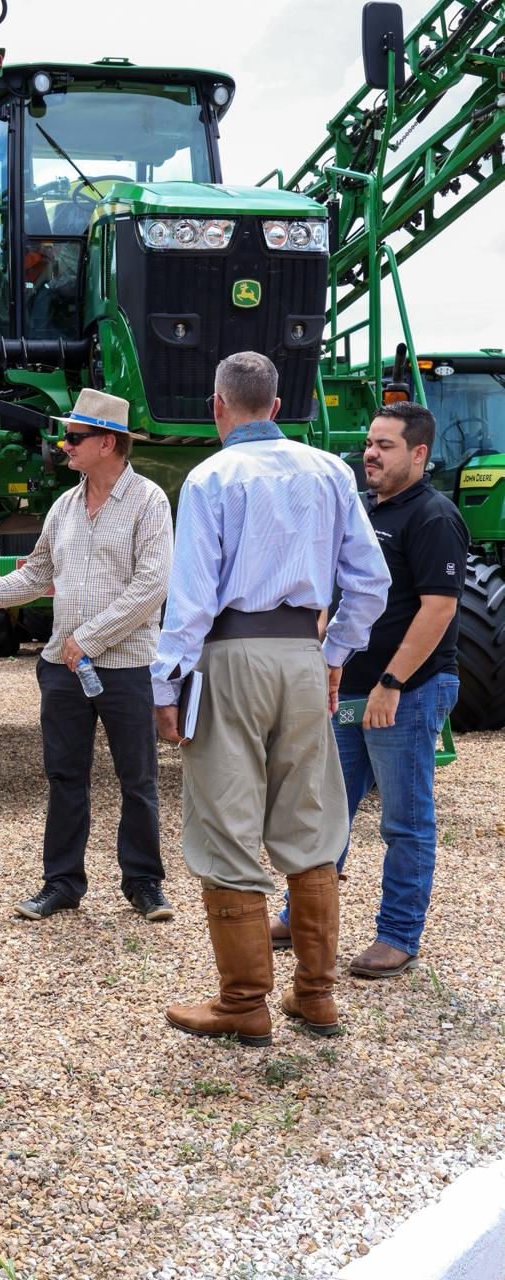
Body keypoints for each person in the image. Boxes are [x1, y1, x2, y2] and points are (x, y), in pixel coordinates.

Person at [152, 352, 390, 1045]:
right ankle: (316, 995)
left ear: (217, 407)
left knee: (226, 825)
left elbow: (192, 599)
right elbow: (370, 582)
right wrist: (335, 654)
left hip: (229, 657)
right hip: (302, 657)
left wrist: (165, 683)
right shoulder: (329, 471)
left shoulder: (211, 477)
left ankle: (243, 1002)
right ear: (279, 407)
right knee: (311, 823)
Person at [0, 387, 174, 922]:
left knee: (138, 779)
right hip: (64, 669)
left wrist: (88, 638)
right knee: (65, 778)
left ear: (108, 443)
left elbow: (151, 586)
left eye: (73, 437)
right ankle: (62, 884)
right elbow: (35, 575)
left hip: (126, 666)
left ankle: (144, 884)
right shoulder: (65, 506)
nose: (62, 444)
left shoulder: (149, 502)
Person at [271, 402, 469, 978]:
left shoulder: (433, 516)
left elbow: (438, 610)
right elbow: (337, 590)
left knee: (404, 821)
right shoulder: (360, 509)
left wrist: (391, 682)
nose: (371, 454)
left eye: (385, 445)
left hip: (406, 691)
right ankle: (302, 916)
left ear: (419, 453)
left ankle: (399, 935)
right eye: (370, 444)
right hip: (348, 688)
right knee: (325, 813)